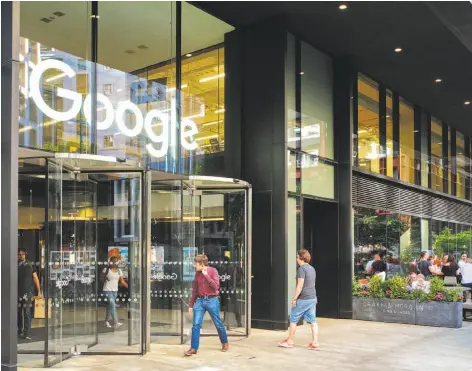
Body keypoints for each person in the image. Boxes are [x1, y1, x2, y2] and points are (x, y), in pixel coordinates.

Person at [185, 254, 229, 356]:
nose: (194, 266)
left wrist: (206, 275)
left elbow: (216, 287)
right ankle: (193, 348)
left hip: (212, 300)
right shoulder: (197, 274)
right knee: (196, 325)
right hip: (200, 301)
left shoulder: (213, 271)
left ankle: (225, 342)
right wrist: (191, 305)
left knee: (218, 323)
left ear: (202, 264)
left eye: (196, 264)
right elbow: (195, 290)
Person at [278, 249, 319, 351]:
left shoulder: (301, 269)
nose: (296, 259)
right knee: (313, 321)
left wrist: (295, 298)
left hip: (303, 299)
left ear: (301, 258)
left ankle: (290, 341)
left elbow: (300, 286)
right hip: (312, 298)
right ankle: (315, 342)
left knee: (293, 319)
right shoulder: (312, 269)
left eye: (297, 257)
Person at [18, 248, 41, 340]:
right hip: (18, 292)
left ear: (25, 254)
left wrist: (39, 291)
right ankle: (20, 330)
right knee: (19, 312)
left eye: (22, 254)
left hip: (28, 292)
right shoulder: (17, 265)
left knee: (27, 312)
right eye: (19, 254)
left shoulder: (31, 265)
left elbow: (35, 278)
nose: (21, 256)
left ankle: (26, 332)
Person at [101, 256, 128, 328]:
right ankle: (116, 322)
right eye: (114, 261)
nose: (115, 262)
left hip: (115, 291)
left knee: (110, 306)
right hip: (107, 290)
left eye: (116, 261)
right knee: (112, 305)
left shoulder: (119, 271)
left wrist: (129, 287)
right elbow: (101, 278)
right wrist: (105, 278)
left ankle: (106, 321)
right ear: (111, 262)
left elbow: (122, 281)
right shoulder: (106, 269)